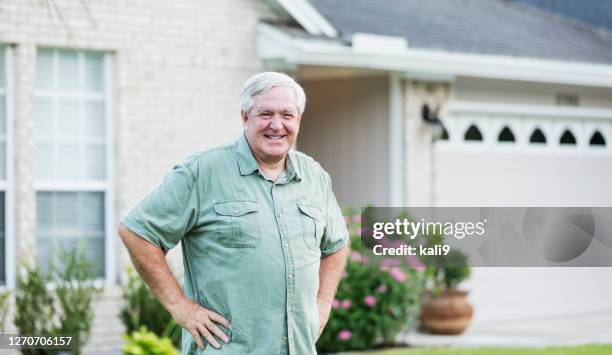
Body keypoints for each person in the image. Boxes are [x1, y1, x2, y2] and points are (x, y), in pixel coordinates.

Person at [119, 72, 349, 354]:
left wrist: (322, 304)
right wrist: (181, 308)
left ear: (298, 120)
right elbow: (137, 231)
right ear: (245, 117)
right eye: (265, 114)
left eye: (287, 115)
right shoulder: (202, 172)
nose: (277, 125)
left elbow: (337, 244)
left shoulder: (314, 176)